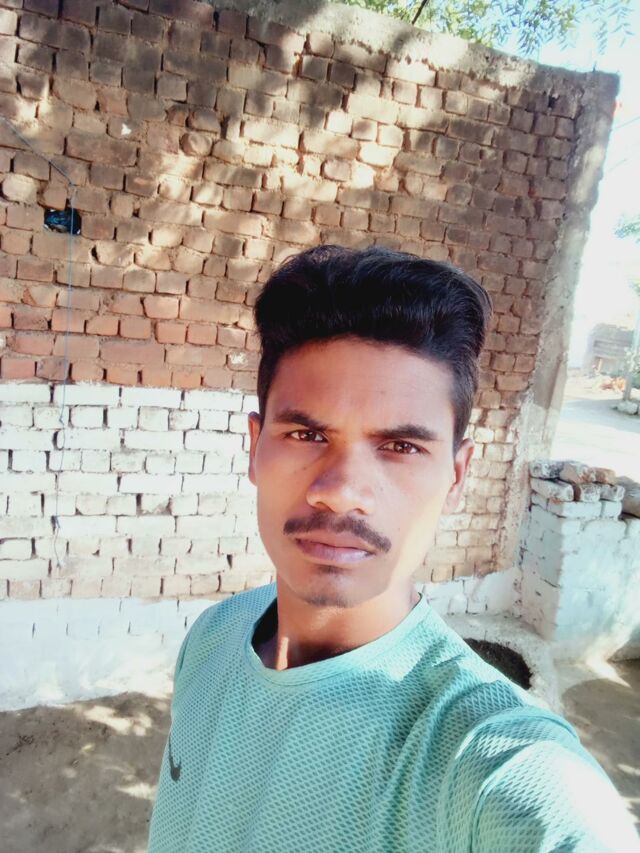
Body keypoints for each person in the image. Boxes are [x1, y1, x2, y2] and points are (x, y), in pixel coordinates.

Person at [148, 246, 639, 852]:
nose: (341, 491)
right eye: (306, 434)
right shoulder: (212, 639)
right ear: (255, 448)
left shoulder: (494, 765)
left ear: (456, 476)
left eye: (401, 447)